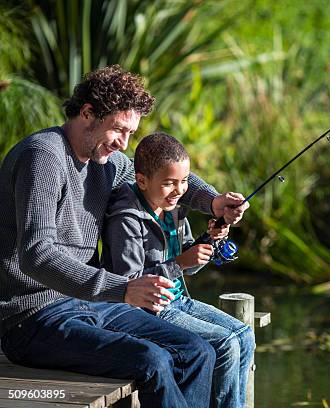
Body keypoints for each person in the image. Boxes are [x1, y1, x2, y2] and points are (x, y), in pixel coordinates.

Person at [0, 65, 249, 408]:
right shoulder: (42, 157)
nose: (123, 143)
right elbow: (37, 254)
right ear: (87, 113)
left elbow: (160, 177)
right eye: (118, 129)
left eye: (130, 133)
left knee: (196, 351)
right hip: (32, 318)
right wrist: (122, 289)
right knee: (153, 360)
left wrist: (213, 201)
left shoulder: (108, 162)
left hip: (91, 303)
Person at [102, 132, 255, 408]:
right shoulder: (125, 218)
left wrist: (208, 241)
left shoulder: (173, 207)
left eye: (184, 181)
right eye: (169, 183)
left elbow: (189, 266)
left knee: (244, 335)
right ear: (142, 180)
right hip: (147, 310)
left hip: (177, 299)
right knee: (225, 343)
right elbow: (129, 283)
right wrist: (181, 263)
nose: (179, 190)